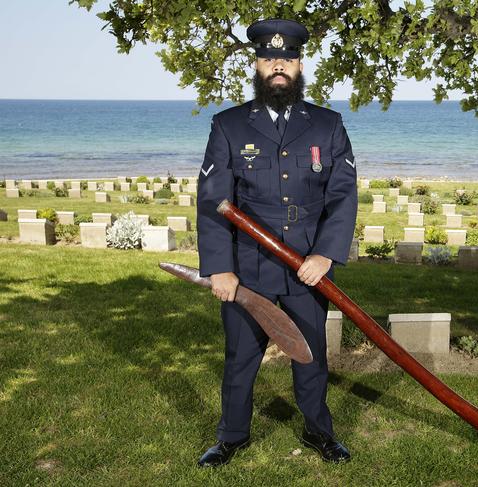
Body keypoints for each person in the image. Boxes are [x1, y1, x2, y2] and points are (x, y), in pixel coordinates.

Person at [196, 18, 358, 468]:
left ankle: (318, 431)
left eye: (286, 59)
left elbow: (343, 195)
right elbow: (212, 202)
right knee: (241, 356)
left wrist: (326, 254)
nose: (278, 66)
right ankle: (231, 436)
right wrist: (220, 267)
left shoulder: (328, 125)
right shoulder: (228, 126)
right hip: (248, 267)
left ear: (300, 65)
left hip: (307, 264)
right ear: (257, 65)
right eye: (270, 59)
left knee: (311, 355)